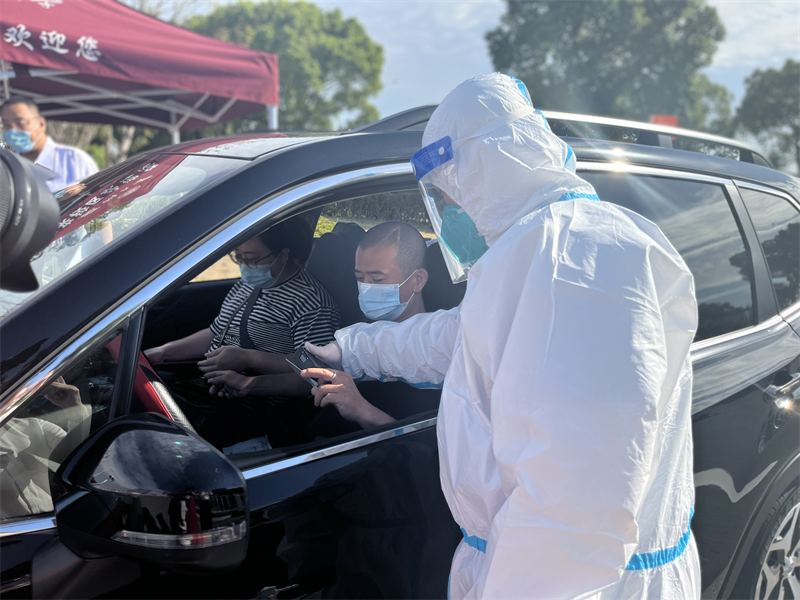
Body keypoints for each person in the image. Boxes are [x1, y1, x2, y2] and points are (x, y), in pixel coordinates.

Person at [307, 74, 701, 599]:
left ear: (481, 171)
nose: (445, 215)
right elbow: (458, 336)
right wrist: (352, 348)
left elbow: (572, 511)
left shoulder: (576, 260)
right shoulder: (539, 252)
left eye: (444, 194)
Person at [145, 216, 340, 447]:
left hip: (257, 411)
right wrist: (162, 353)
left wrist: (247, 374)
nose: (244, 266)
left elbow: (314, 375)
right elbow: (216, 332)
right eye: (238, 257)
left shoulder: (312, 304)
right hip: (211, 389)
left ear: (284, 254)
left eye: (252, 259)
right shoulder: (248, 285)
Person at [303, 221, 437, 435]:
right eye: (359, 278)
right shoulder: (359, 336)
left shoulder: (437, 356)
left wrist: (360, 409)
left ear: (417, 280)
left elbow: (425, 443)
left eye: (377, 279)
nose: (366, 288)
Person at [0, 377, 89, 519]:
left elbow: (83, 460)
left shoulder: (36, 426)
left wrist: (74, 409)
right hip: (14, 532)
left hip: (58, 522)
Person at [1, 96, 98, 192]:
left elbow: (98, 196)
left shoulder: (75, 160)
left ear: (41, 123)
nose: (13, 130)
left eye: (21, 123)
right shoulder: (6, 167)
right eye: (6, 125)